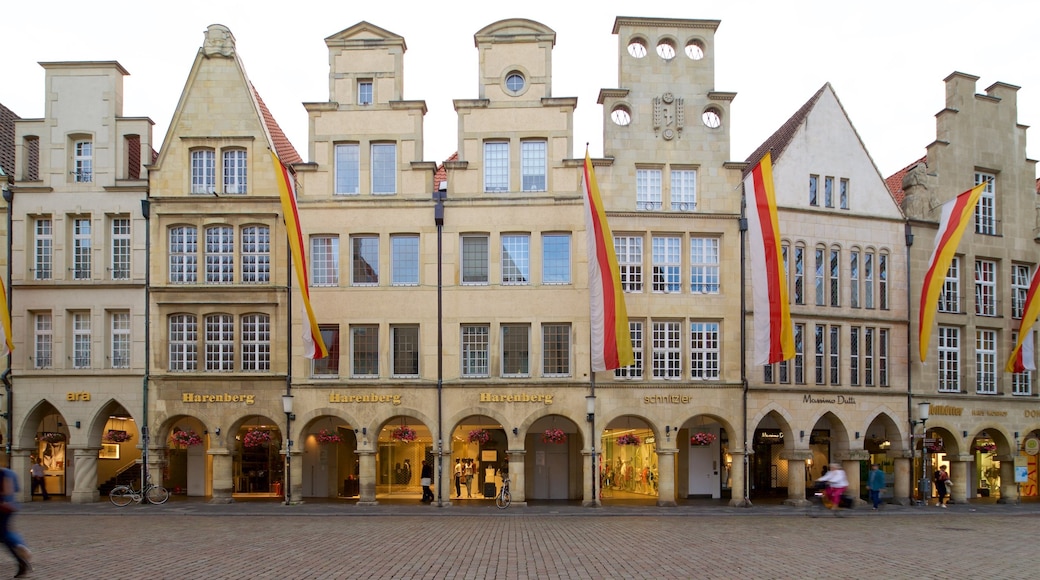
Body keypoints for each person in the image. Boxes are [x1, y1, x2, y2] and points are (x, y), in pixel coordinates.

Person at [0, 466, 32, 577]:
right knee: (4, 534)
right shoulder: (7, 472)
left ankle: (19, 552)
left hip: (2, 507)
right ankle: (20, 553)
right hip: (9, 507)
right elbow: (15, 488)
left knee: (4, 534)